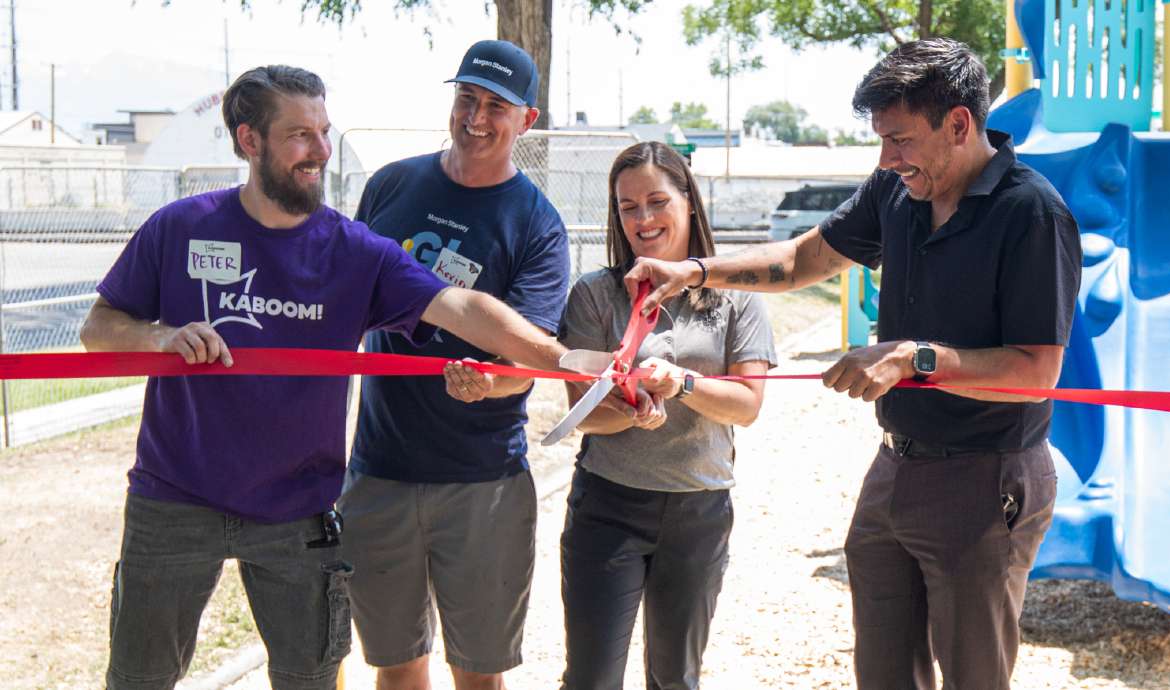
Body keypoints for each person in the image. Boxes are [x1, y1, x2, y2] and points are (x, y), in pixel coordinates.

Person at [81, 65, 567, 690]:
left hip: (296, 508)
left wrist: (562, 359)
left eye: (325, 132)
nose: (320, 151)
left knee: (310, 679)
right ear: (248, 140)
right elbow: (100, 327)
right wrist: (159, 338)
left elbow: (463, 307)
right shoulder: (180, 227)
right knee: (138, 678)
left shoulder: (354, 250)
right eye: (300, 135)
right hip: (173, 496)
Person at [624, 39, 1081, 690]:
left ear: (959, 124)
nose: (886, 159)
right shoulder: (896, 190)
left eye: (899, 140)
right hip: (895, 468)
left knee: (975, 678)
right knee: (883, 674)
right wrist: (694, 270)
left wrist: (914, 359)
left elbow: (1038, 372)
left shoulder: (1031, 213)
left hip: (987, 478)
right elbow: (800, 262)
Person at [336, 40, 570, 690]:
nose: (475, 117)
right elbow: (347, 300)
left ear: (527, 120)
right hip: (381, 474)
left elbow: (532, 359)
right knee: (396, 668)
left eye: (496, 105)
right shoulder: (392, 185)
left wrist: (494, 382)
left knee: (479, 674)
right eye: (466, 97)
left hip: (482, 485)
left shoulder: (536, 225)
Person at [555, 141, 775, 690]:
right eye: (627, 207)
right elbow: (583, 415)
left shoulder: (736, 296)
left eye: (657, 200)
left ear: (690, 203)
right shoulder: (596, 294)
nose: (643, 218)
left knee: (676, 679)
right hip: (608, 506)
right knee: (590, 680)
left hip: (699, 512)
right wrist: (631, 412)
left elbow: (747, 404)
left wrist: (682, 384)